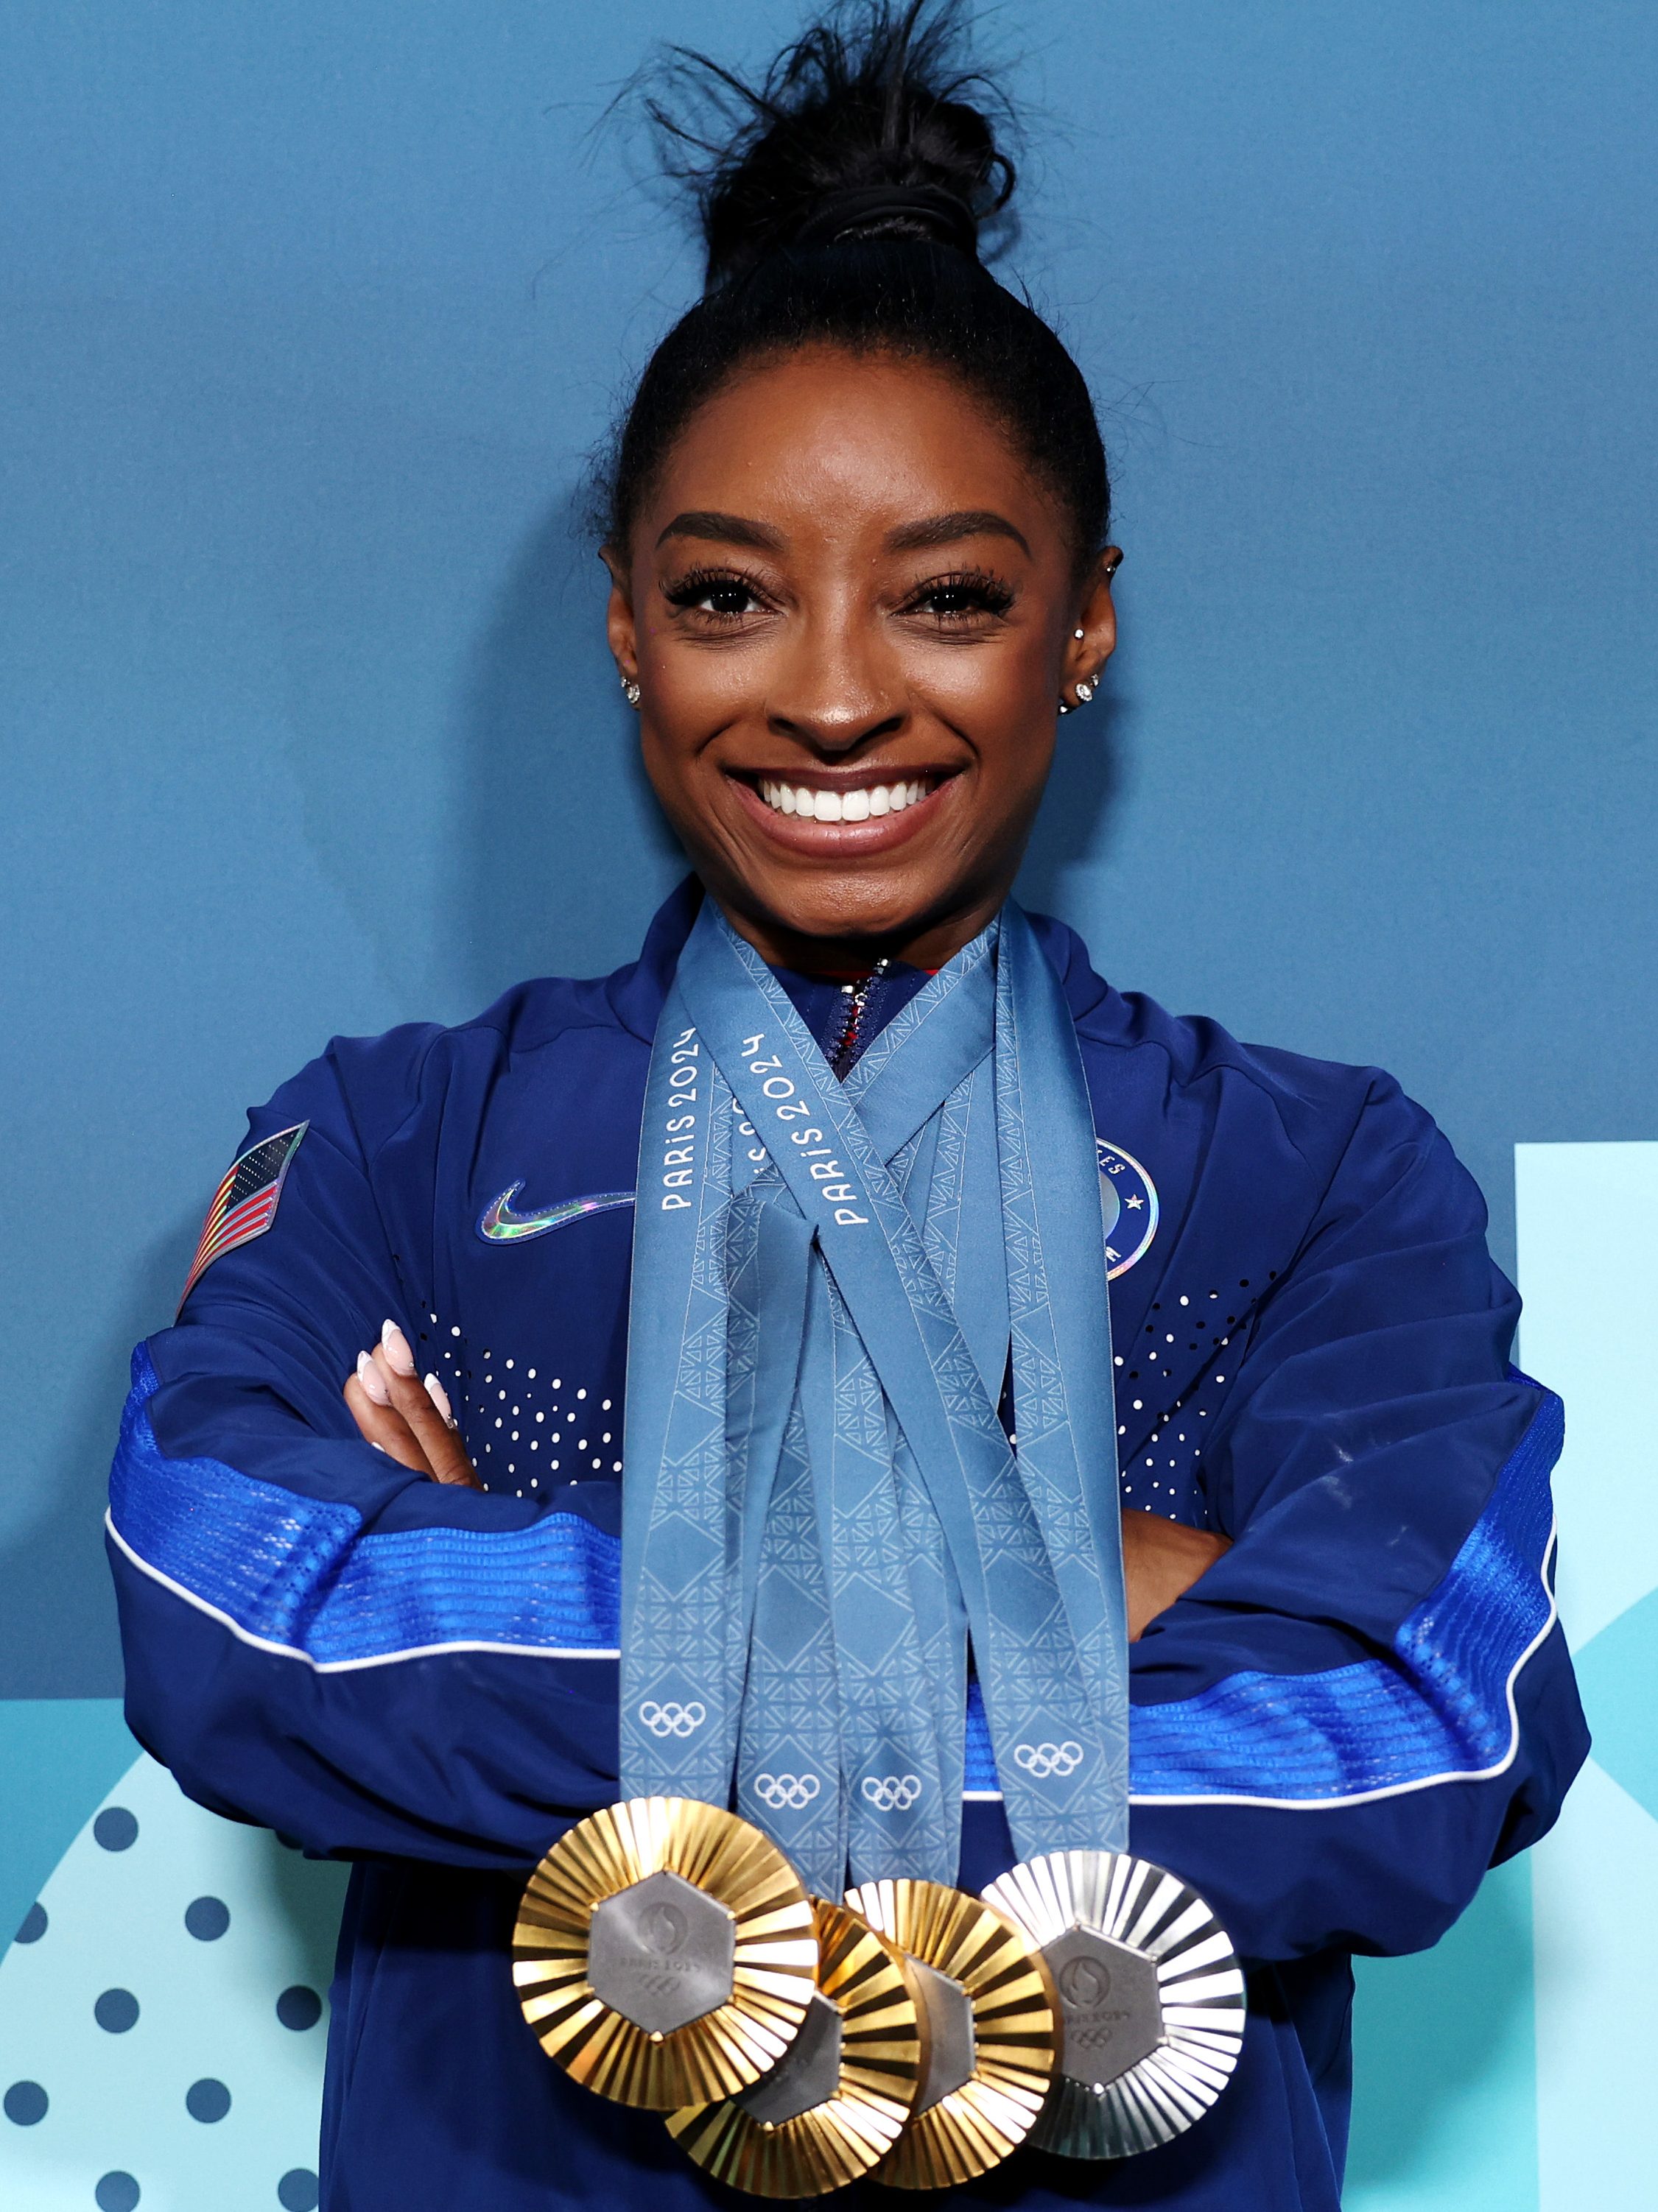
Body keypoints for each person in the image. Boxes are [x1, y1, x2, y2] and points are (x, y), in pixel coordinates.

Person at [107, 6, 1587, 2207]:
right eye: (725, 594)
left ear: (1078, 628)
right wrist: (1106, 1586)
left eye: (948, 599)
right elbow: (232, 1603)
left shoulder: (1313, 1170)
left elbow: (1409, 1734)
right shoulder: (403, 1135)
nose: (824, 689)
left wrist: (504, 1604)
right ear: (625, 627)